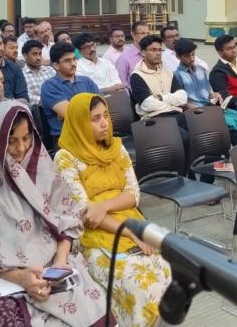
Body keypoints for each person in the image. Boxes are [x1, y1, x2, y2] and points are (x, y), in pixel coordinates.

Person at [0, 100, 110, 326]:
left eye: (26, 138)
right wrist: (21, 278)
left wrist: (60, 262)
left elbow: (67, 218)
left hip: (52, 260)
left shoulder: (41, 167)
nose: (21, 148)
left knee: (94, 304)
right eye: (11, 141)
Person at [55, 94, 171, 327]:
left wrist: (104, 205)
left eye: (105, 116)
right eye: (95, 118)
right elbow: (87, 214)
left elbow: (133, 194)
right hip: (92, 236)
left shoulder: (117, 148)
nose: (104, 123)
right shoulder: (65, 158)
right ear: (79, 123)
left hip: (132, 221)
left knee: (169, 267)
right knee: (136, 282)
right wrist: (131, 234)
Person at [40, 42, 99, 139]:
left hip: (93, 133)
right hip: (67, 139)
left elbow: (102, 108)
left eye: (74, 59)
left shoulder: (87, 81)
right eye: (67, 61)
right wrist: (90, 108)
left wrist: (72, 109)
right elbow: (73, 115)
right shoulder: (49, 86)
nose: (73, 63)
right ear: (56, 65)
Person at [208, 35, 237, 105]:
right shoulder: (217, 73)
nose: (233, 50)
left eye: (234, 47)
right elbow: (224, 98)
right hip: (236, 108)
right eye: (229, 49)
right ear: (220, 53)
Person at [173, 39, 219, 107]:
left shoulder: (201, 69)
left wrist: (215, 95)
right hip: (194, 110)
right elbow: (180, 102)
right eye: (187, 56)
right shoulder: (177, 75)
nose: (192, 58)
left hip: (210, 106)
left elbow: (209, 93)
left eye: (193, 54)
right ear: (178, 56)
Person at [20, 39, 55, 106]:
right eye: (34, 54)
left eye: (40, 54)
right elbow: (29, 96)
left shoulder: (50, 70)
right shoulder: (21, 74)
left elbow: (59, 88)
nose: (38, 58)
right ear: (25, 56)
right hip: (37, 108)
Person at [115, 22, 150, 86]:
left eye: (148, 33)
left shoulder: (151, 53)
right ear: (133, 35)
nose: (146, 36)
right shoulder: (124, 58)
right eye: (142, 33)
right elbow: (122, 84)